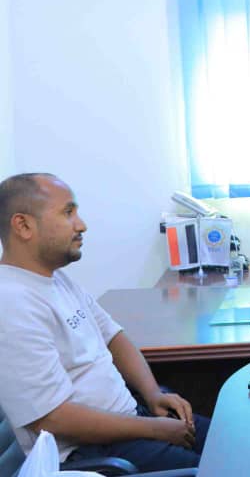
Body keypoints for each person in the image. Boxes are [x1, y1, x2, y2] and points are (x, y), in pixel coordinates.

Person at [0, 173, 209, 471]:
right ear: (23, 226)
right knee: (228, 466)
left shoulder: (55, 280)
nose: (81, 225)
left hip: (131, 420)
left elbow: (114, 337)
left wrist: (152, 394)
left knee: (239, 440)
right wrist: (155, 429)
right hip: (92, 451)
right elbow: (52, 418)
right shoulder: (10, 303)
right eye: (68, 212)